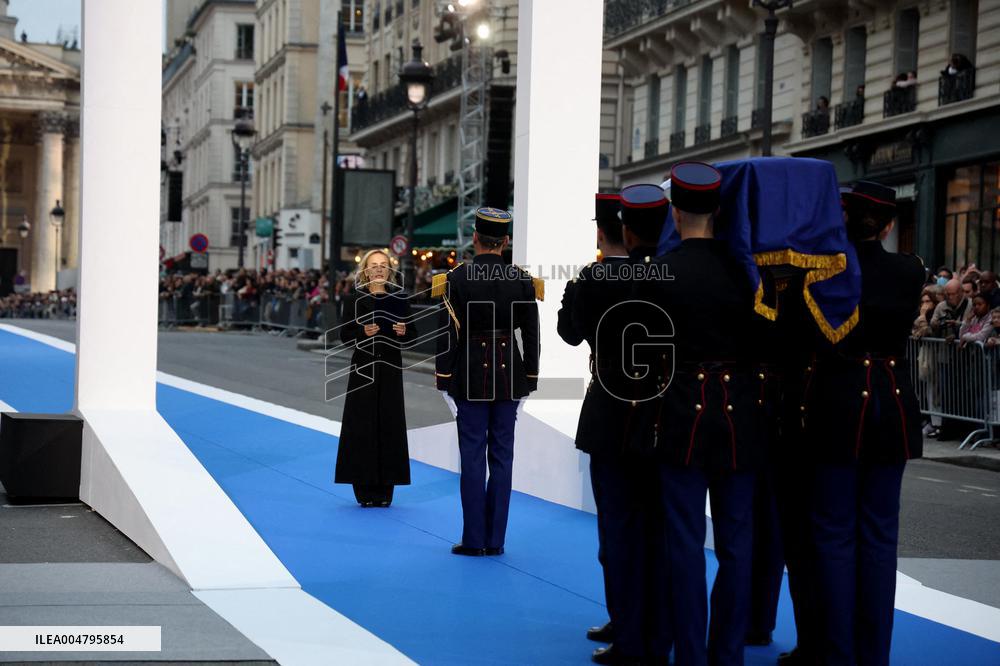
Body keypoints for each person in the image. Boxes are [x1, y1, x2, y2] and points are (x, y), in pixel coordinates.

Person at [634, 162, 761, 666]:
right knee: (737, 543)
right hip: (739, 412)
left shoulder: (660, 272)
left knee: (683, 543)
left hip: (680, 409)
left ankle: (689, 653)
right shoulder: (744, 270)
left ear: (675, 209)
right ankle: (727, 654)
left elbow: (642, 355)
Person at [805, 181, 924, 666]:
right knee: (879, 537)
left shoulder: (824, 273)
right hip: (890, 407)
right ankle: (874, 654)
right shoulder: (909, 270)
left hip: (837, 405)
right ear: (890, 224)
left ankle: (837, 652)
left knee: (834, 536)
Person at [561, 188, 673, 665]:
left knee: (618, 530)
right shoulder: (668, 272)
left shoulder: (595, 277)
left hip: (610, 410)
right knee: (657, 531)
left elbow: (569, 331)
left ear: (611, 231)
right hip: (662, 413)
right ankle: (654, 627)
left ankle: (626, 626)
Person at [434, 207, 540, 556]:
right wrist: (531, 377)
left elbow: (448, 334)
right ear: (505, 241)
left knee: (473, 459)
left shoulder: (456, 278)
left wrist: (444, 378)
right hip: (510, 376)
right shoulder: (522, 280)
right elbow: (532, 335)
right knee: (503, 458)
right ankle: (496, 540)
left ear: (475, 238)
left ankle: (474, 539)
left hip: (469, 377)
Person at [334, 249, 415, 507]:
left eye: (383, 265)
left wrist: (404, 330)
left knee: (389, 425)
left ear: (390, 270)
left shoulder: (399, 299)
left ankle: (385, 491)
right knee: (362, 426)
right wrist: (361, 331)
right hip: (363, 369)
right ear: (365, 271)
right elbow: (344, 334)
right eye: (373, 265)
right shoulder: (354, 299)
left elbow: (413, 332)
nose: (379, 269)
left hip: (390, 369)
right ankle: (364, 490)